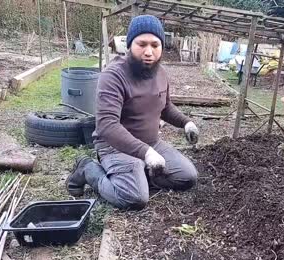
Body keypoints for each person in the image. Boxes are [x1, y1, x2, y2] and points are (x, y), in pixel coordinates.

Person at [66, 15, 199, 210]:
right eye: (141, 44)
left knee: (187, 177)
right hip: (114, 147)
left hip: (151, 144)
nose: (149, 51)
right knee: (135, 198)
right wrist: (146, 153)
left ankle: (138, 174)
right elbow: (107, 126)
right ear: (129, 45)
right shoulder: (113, 76)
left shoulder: (160, 73)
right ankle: (89, 170)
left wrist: (186, 123)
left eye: (155, 45)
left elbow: (165, 107)